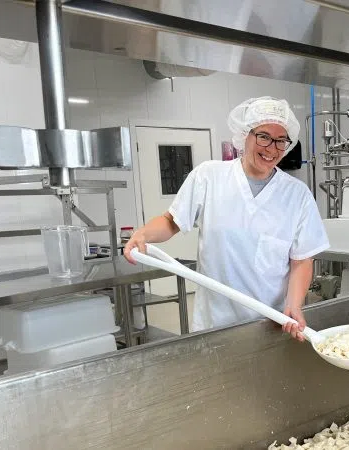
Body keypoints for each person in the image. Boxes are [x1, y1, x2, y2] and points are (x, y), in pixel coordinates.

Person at [125, 96, 329, 341]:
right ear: (245, 135)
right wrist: (143, 234)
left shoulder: (297, 195)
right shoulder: (209, 176)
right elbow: (171, 221)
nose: (271, 148)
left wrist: (294, 305)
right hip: (214, 321)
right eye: (263, 136)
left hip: (271, 322)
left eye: (280, 140)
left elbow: (302, 260)